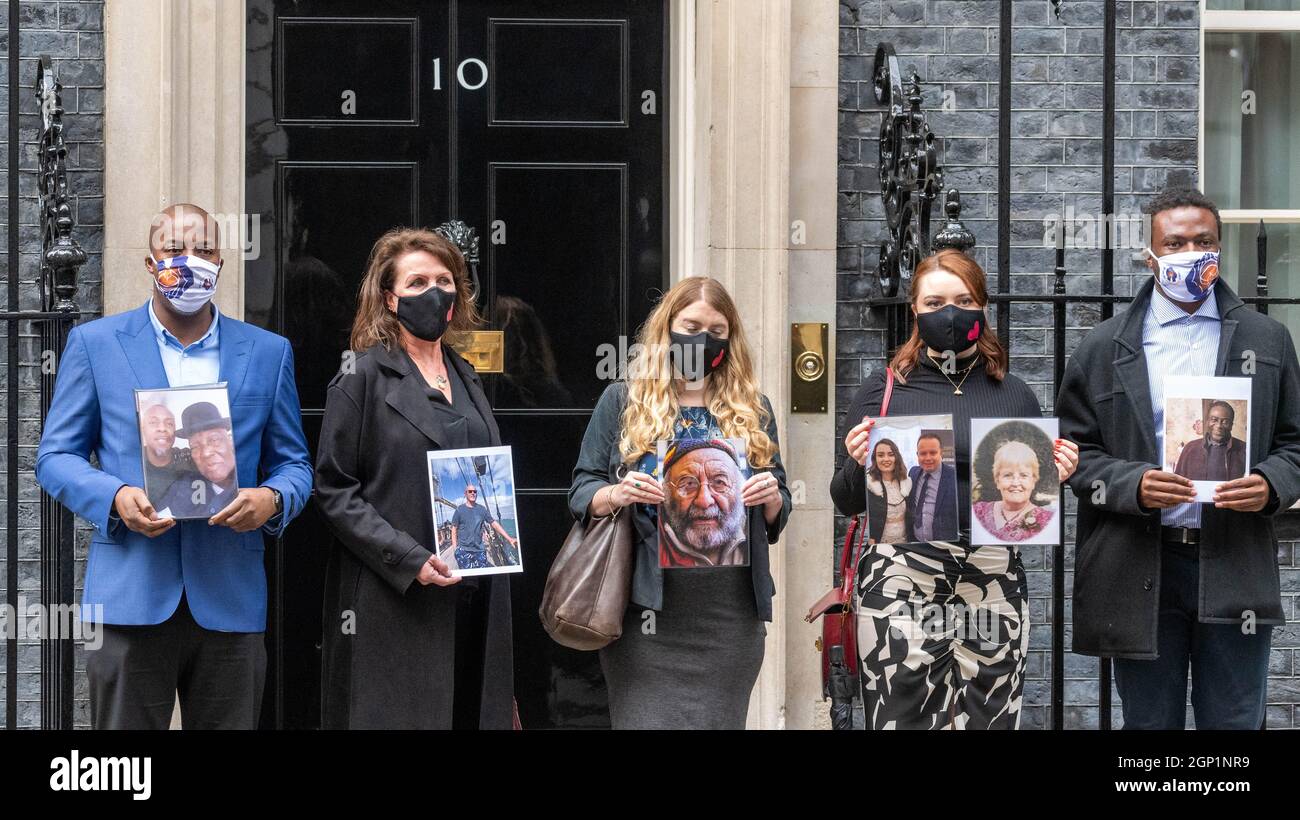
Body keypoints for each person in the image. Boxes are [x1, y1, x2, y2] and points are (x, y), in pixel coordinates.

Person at [35, 203, 313, 729]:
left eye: (204, 249)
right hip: (130, 595)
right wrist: (114, 496)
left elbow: (295, 464)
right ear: (149, 262)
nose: (190, 260)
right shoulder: (95, 345)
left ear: (221, 261)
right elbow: (54, 457)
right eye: (174, 249)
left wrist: (272, 499)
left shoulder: (268, 352)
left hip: (230, 597)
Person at [1058, 188, 1300, 730]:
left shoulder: (1269, 340)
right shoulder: (1103, 348)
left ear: (1220, 248)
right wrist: (1132, 484)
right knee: (1148, 726)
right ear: (1152, 256)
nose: (1191, 251)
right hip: (1140, 563)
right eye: (1176, 242)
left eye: (1204, 241)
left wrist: (1270, 482)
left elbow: (1296, 444)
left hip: (1233, 561)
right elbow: (1075, 455)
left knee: (1236, 723)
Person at [831, 249, 1079, 729]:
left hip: (992, 579)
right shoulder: (881, 390)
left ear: (982, 308)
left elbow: (1029, 498)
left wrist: (1057, 473)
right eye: (936, 301)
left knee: (990, 717)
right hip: (902, 578)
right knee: (902, 718)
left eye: (964, 299)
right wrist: (858, 463)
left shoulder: (1014, 392)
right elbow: (844, 500)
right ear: (915, 311)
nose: (950, 312)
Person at [569, 276, 790, 729]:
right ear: (667, 328)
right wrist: (617, 493)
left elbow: (781, 500)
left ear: (731, 341)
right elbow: (581, 491)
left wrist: (771, 498)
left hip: (730, 620)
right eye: (690, 326)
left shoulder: (754, 408)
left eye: (717, 331)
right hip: (644, 618)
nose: (702, 340)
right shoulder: (624, 400)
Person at [314, 227, 513, 730]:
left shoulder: (465, 372)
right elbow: (335, 490)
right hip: (395, 599)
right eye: (418, 281)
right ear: (390, 297)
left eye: (445, 280)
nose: (434, 293)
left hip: (472, 596)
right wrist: (409, 558)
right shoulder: (360, 376)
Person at [658, 438, 748, 568]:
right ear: (666, 492)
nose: (704, 501)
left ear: (739, 489)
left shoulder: (753, 530)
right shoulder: (650, 536)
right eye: (689, 484)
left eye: (719, 482)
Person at [158, 402, 238, 518]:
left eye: (214, 440)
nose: (206, 453)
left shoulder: (253, 480)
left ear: (230, 441)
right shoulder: (183, 486)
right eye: (195, 446)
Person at [972, 440, 1055, 542]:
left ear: (1034, 480)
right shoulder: (978, 511)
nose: (1015, 483)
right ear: (997, 481)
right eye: (1008, 475)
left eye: (1024, 475)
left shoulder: (1047, 521)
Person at [1172, 400, 1247, 482]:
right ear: (1207, 422)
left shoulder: (1244, 449)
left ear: (1231, 426)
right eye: (1214, 420)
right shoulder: (1190, 448)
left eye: (1225, 422)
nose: (1219, 426)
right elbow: (1177, 483)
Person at [449, 483, 518, 570]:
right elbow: (454, 529)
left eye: (475, 491)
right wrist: (455, 550)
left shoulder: (482, 509)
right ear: (465, 494)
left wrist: (509, 538)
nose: (473, 493)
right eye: (470, 491)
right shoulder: (459, 510)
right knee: (467, 578)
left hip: (479, 551)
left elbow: (493, 523)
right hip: (463, 551)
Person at [906, 432, 959, 542]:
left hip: (943, 548)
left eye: (933, 453)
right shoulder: (913, 473)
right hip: (915, 544)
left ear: (941, 453)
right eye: (923, 453)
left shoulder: (954, 478)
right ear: (917, 455)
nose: (928, 458)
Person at [137, 402, 194, 500]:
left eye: (169, 424)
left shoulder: (189, 458)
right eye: (153, 423)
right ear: (143, 430)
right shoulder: (133, 461)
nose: (162, 428)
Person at [865, 438, 911, 544]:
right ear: (875, 459)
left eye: (890, 454)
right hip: (880, 544)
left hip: (905, 543)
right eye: (880, 455)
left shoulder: (906, 483)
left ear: (896, 457)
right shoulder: (869, 484)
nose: (886, 459)